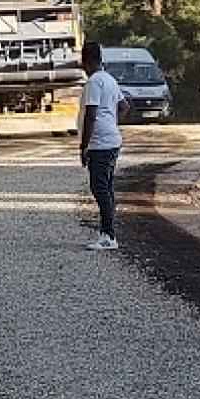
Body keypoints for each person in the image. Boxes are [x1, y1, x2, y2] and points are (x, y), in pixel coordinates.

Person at [79, 42, 130, 251]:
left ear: (87, 61)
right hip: (112, 141)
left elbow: (91, 115)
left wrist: (84, 146)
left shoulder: (93, 82)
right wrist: (112, 122)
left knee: (100, 188)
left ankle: (109, 235)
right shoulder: (110, 79)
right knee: (106, 188)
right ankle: (106, 232)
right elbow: (124, 106)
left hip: (100, 143)